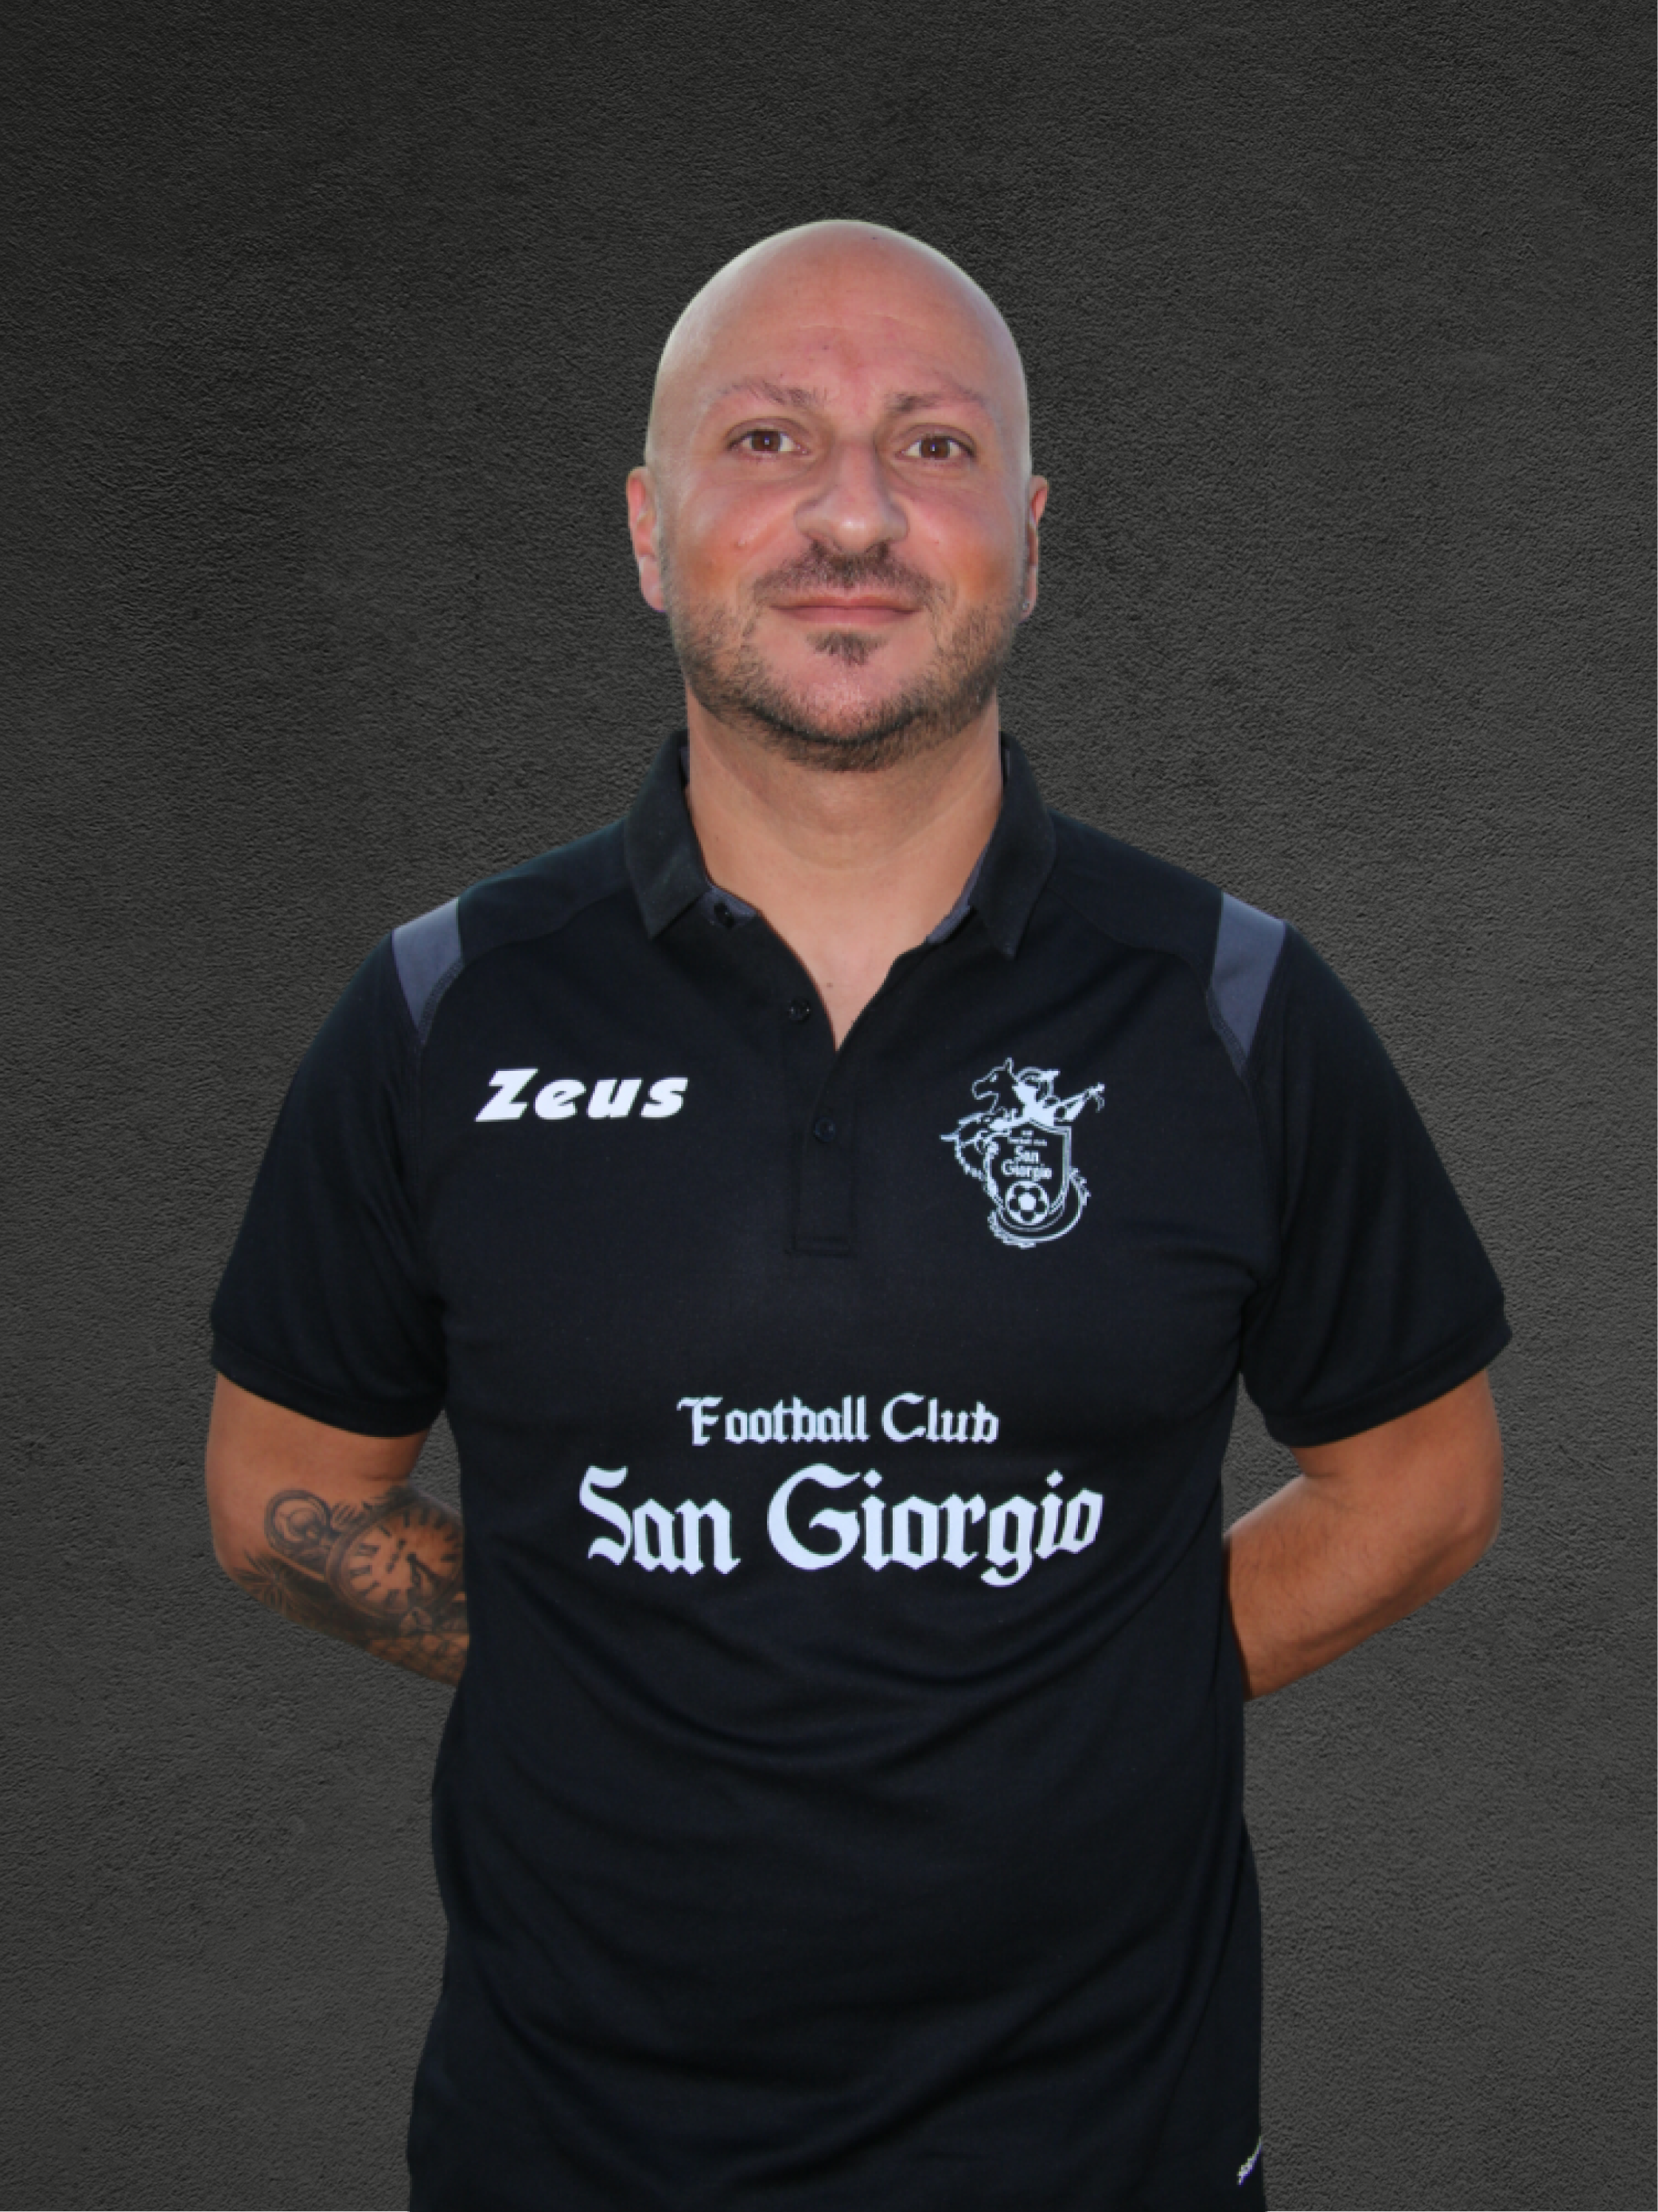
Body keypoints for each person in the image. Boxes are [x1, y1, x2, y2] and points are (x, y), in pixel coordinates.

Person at [204, 220, 1509, 2211]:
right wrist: (601, 1660)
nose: (850, 515)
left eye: (932, 445)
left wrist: (1091, 1682)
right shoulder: (443, 1009)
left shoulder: (1233, 1006)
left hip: (1110, 2153)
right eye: (768, 440)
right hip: (567, 2154)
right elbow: (278, 1493)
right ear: (647, 530)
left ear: (1031, 539)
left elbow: (1421, 1479)